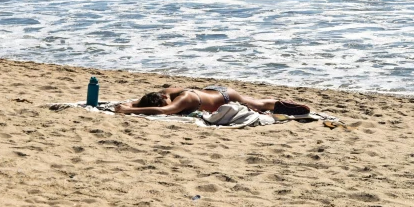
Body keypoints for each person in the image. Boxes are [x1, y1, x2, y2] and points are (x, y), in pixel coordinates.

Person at [114, 84, 310, 116]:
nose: (170, 105)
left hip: (225, 97)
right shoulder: (165, 92)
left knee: (257, 105)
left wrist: (130, 110)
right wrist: (131, 104)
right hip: (214, 90)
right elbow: (149, 101)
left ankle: (280, 103)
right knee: (254, 100)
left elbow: (164, 111)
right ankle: (276, 101)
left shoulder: (184, 98)